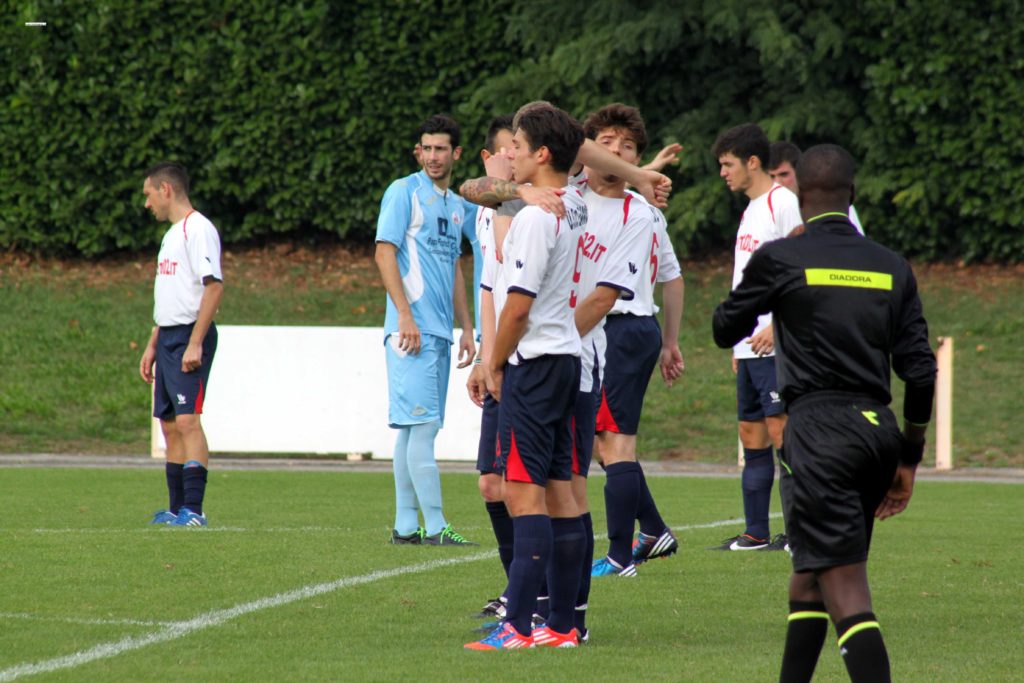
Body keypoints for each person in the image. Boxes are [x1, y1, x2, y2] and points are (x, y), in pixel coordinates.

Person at [712, 143, 936, 683]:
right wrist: (907, 461)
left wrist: (773, 281)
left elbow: (725, 328)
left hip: (818, 433)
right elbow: (921, 373)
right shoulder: (890, 266)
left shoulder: (784, 257)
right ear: (852, 196)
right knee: (808, 575)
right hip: (876, 433)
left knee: (845, 587)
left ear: (798, 196)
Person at [465, 102, 588, 650]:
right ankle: (563, 625)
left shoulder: (538, 218)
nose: (506, 154)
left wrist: (493, 364)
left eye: (515, 145)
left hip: (534, 363)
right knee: (561, 492)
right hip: (566, 358)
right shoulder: (574, 203)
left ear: (541, 154)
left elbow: (516, 306)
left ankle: (517, 627)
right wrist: (517, 190)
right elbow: (480, 188)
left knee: (523, 493)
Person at [571, 104, 680, 581]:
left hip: (621, 328)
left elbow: (671, 278)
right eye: (608, 143)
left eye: (628, 146)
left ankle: (619, 556)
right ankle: (653, 529)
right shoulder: (567, 193)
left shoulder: (641, 212)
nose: (616, 152)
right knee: (599, 443)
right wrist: (641, 170)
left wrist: (669, 342)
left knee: (615, 445)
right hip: (591, 330)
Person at [375, 113, 477, 547]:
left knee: (415, 429)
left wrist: (468, 328)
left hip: (438, 332)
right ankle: (435, 527)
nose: (433, 156)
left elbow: (456, 269)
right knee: (422, 428)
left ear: (456, 154)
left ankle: (404, 526)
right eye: (426, 148)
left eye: (441, 149)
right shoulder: (404, 192)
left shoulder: (455, 206)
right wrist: (404, 315)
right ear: (418, 151)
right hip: (410, 330)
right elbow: (384, 253)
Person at [711, 123, 802, 551]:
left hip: (775, 343)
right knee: (751, 436)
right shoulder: (750, 209)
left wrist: (775, 326)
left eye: (728, 164)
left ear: (752, 162)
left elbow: (803, 270)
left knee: (784, 433)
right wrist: (738, 341)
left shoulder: (783, 203)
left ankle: (800, 530)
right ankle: (756, 532)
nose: (723, 173)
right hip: (749, 347)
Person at [139, 162, 223, 528]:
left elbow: (214, 285)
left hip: (190, 335)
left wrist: (195, 342)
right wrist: (153, 342)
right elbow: (170, 295)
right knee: (170, 425)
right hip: (169, 336)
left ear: (166, 190)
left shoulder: (197, 229)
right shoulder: (171, 234)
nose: (147, 203)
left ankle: (195, 510)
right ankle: (175, 509)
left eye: (148, 194)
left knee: (188, 421)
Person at [466, 114, 518, 619]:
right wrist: (483, 357)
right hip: (499, 357)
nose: (515, 162)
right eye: (507, 153)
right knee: (490, 482)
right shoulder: (487, 212)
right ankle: (516, 586)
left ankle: (534, 594)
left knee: (527, 485)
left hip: (529, 359)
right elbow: (488, 287)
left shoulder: (527, 206)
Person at [770, 141, 864, 235]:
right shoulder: (763, 211)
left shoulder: (837, 204)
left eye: (783, 175)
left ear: (799, 173)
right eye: (772, 176)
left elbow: (859, 243)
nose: (777, 182)